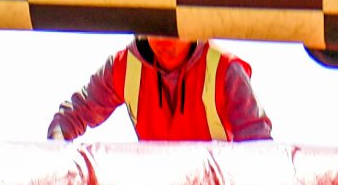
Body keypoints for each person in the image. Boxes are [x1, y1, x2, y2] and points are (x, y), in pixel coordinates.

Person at [47, 37, 273, 143]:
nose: (163, 30)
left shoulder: (225, 69)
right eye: (155, 17)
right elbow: (70, 117)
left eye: (171, 20)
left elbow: (259, 150)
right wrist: (56, 158)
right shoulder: (123, 67)